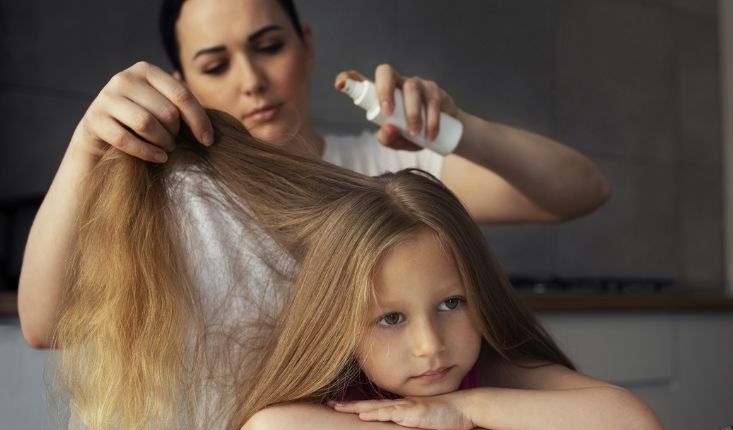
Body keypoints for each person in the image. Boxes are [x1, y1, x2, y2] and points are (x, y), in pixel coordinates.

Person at [55, 111, 662, 430]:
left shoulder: (492, 374)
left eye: (452, 303)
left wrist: (467, 408)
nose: (432, 346)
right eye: (390, 319)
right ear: (340, 323)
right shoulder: (346, 390)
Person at [18, 0, 610, 349]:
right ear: (183, 82)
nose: (250, 80)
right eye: (216, 64)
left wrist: (460, 128)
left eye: (268, 45)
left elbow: (582, 191)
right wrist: (84, 150)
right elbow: (45, 325)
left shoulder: (387, 167)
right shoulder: (176, 200)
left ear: (306, 46)